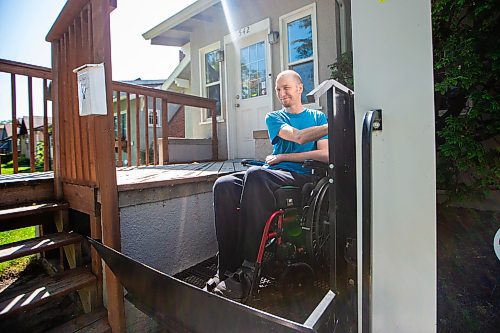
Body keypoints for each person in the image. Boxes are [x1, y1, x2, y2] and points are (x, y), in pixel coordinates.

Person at [207, 69, 328, 302]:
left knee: (256, 176)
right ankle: (226, 269)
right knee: (223, 184)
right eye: (278, 90)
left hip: (300, 178)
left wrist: (284, 158)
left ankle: (248, 272)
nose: (282, 93)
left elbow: (325, 154)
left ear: (300, 88)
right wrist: (331, 126)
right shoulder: (275, 117)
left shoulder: (317, 117)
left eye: (287, 88)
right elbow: (299, 137)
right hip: (273, 174)